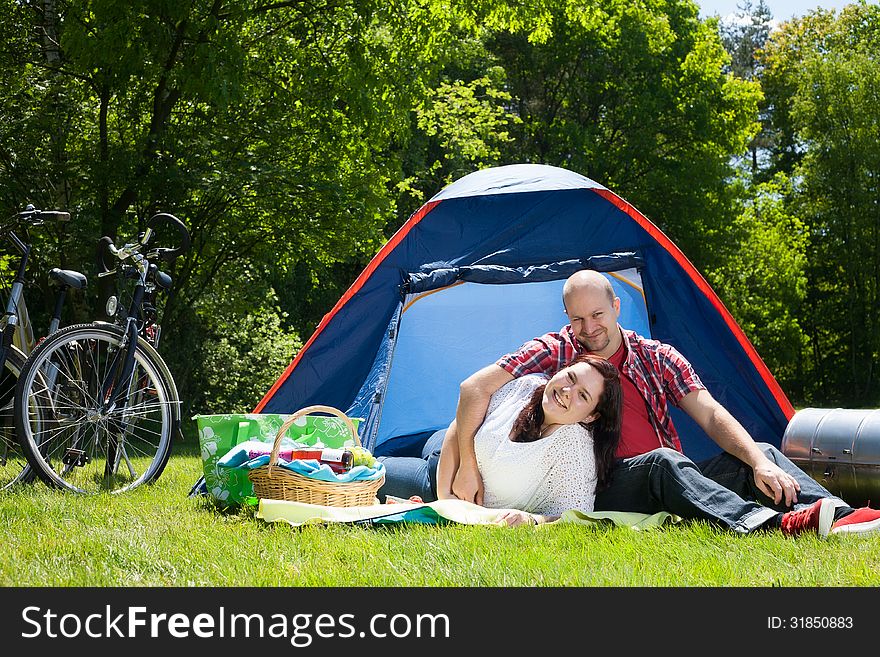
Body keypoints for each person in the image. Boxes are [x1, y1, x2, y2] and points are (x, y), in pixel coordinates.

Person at [435, 269, 880, 537]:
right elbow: (475, 388)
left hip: (673, 473)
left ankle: (843, 518)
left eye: (598, 314)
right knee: (662, 462)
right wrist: (469, 464)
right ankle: (766, 525)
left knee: (758, 454)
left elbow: (708, 412)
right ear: (567, 320)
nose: (589, 328)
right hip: (605, 482)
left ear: (617, 306)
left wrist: (758, 463)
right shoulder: (558, 352)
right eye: (578, 319)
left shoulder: (657, 356)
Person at [379, 353, 622, 527]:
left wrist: (532, 520)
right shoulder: (527, 387)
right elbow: (461, 421)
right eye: (570, 377)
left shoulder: (575, 452)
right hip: (446, 449)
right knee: (380, 446)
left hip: (428, 482)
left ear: (591, 416)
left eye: (583, 395)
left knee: (370, 471)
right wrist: (448, 493)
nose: (567, 391)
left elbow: (573, 518)